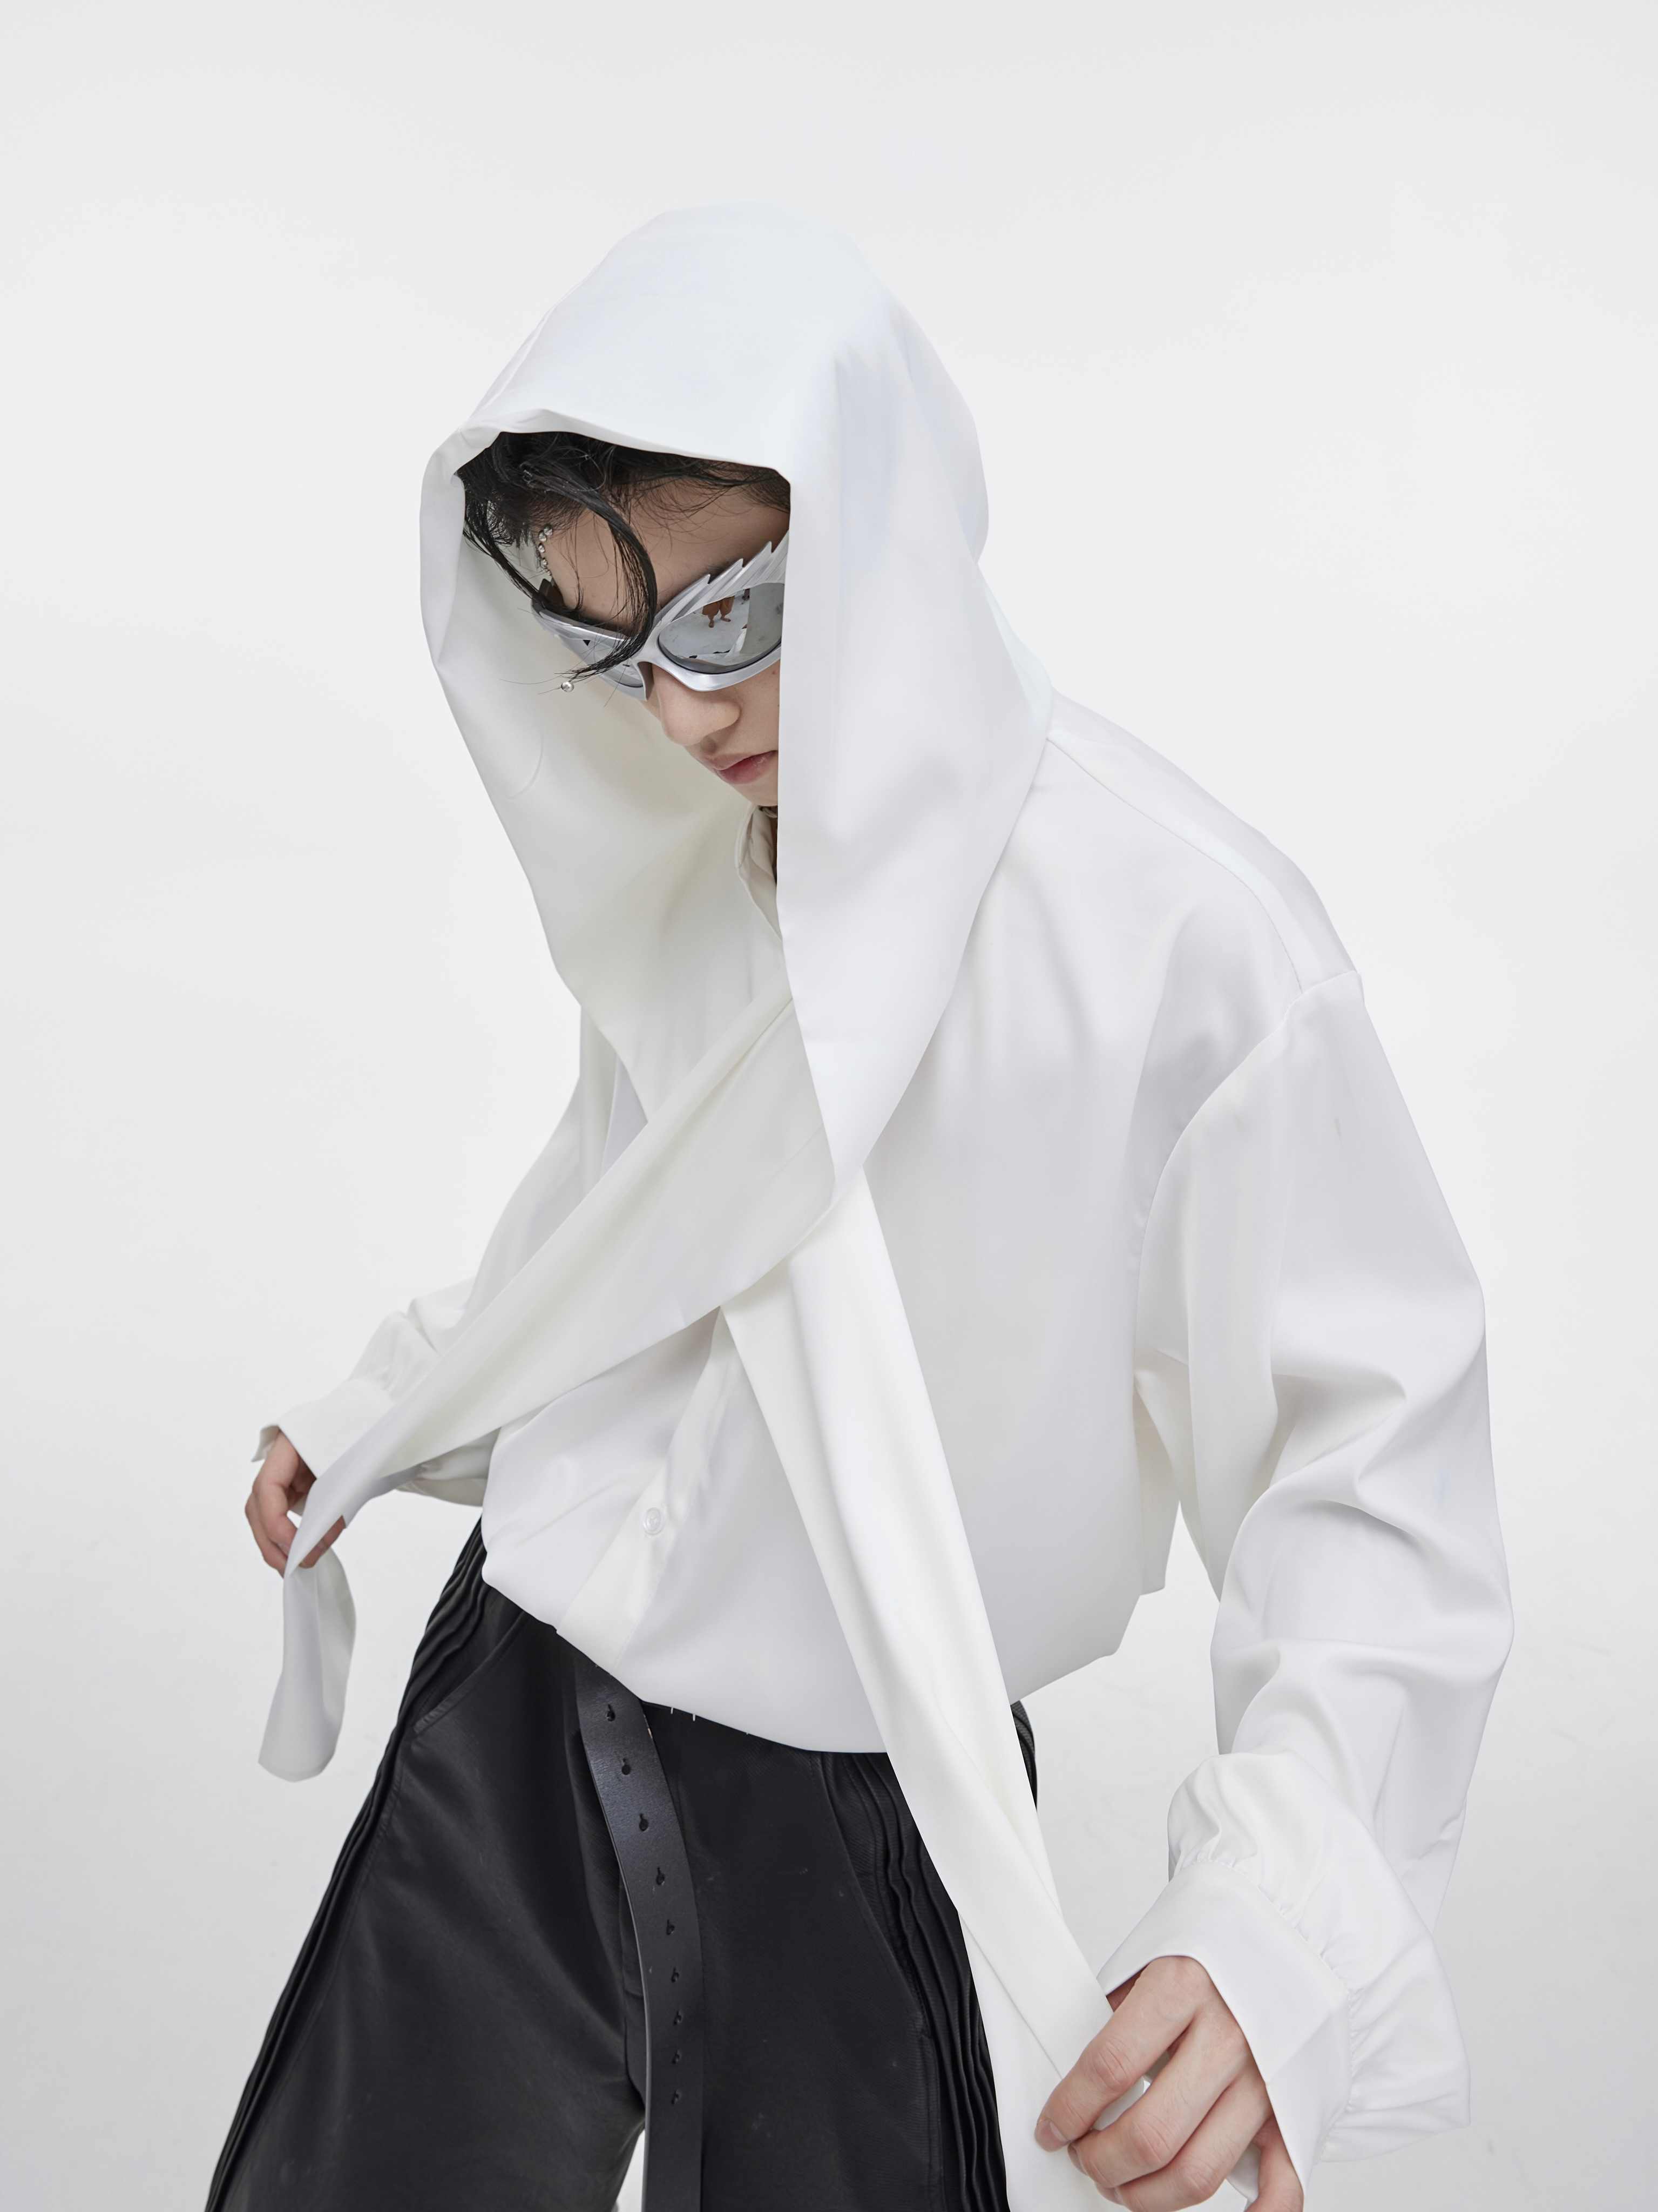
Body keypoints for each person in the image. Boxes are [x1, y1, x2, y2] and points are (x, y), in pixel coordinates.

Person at [210, 204, 1513, 2212]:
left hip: (850, 1788)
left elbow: (1374, 1469)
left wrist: (1280, 1922)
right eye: (609, 645)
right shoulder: (709, 871)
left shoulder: (1185, 948)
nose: (679, 714)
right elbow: (624, 1231)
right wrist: (403, 1404)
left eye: (730, 614)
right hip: (517, 1701)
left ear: (882, 522)